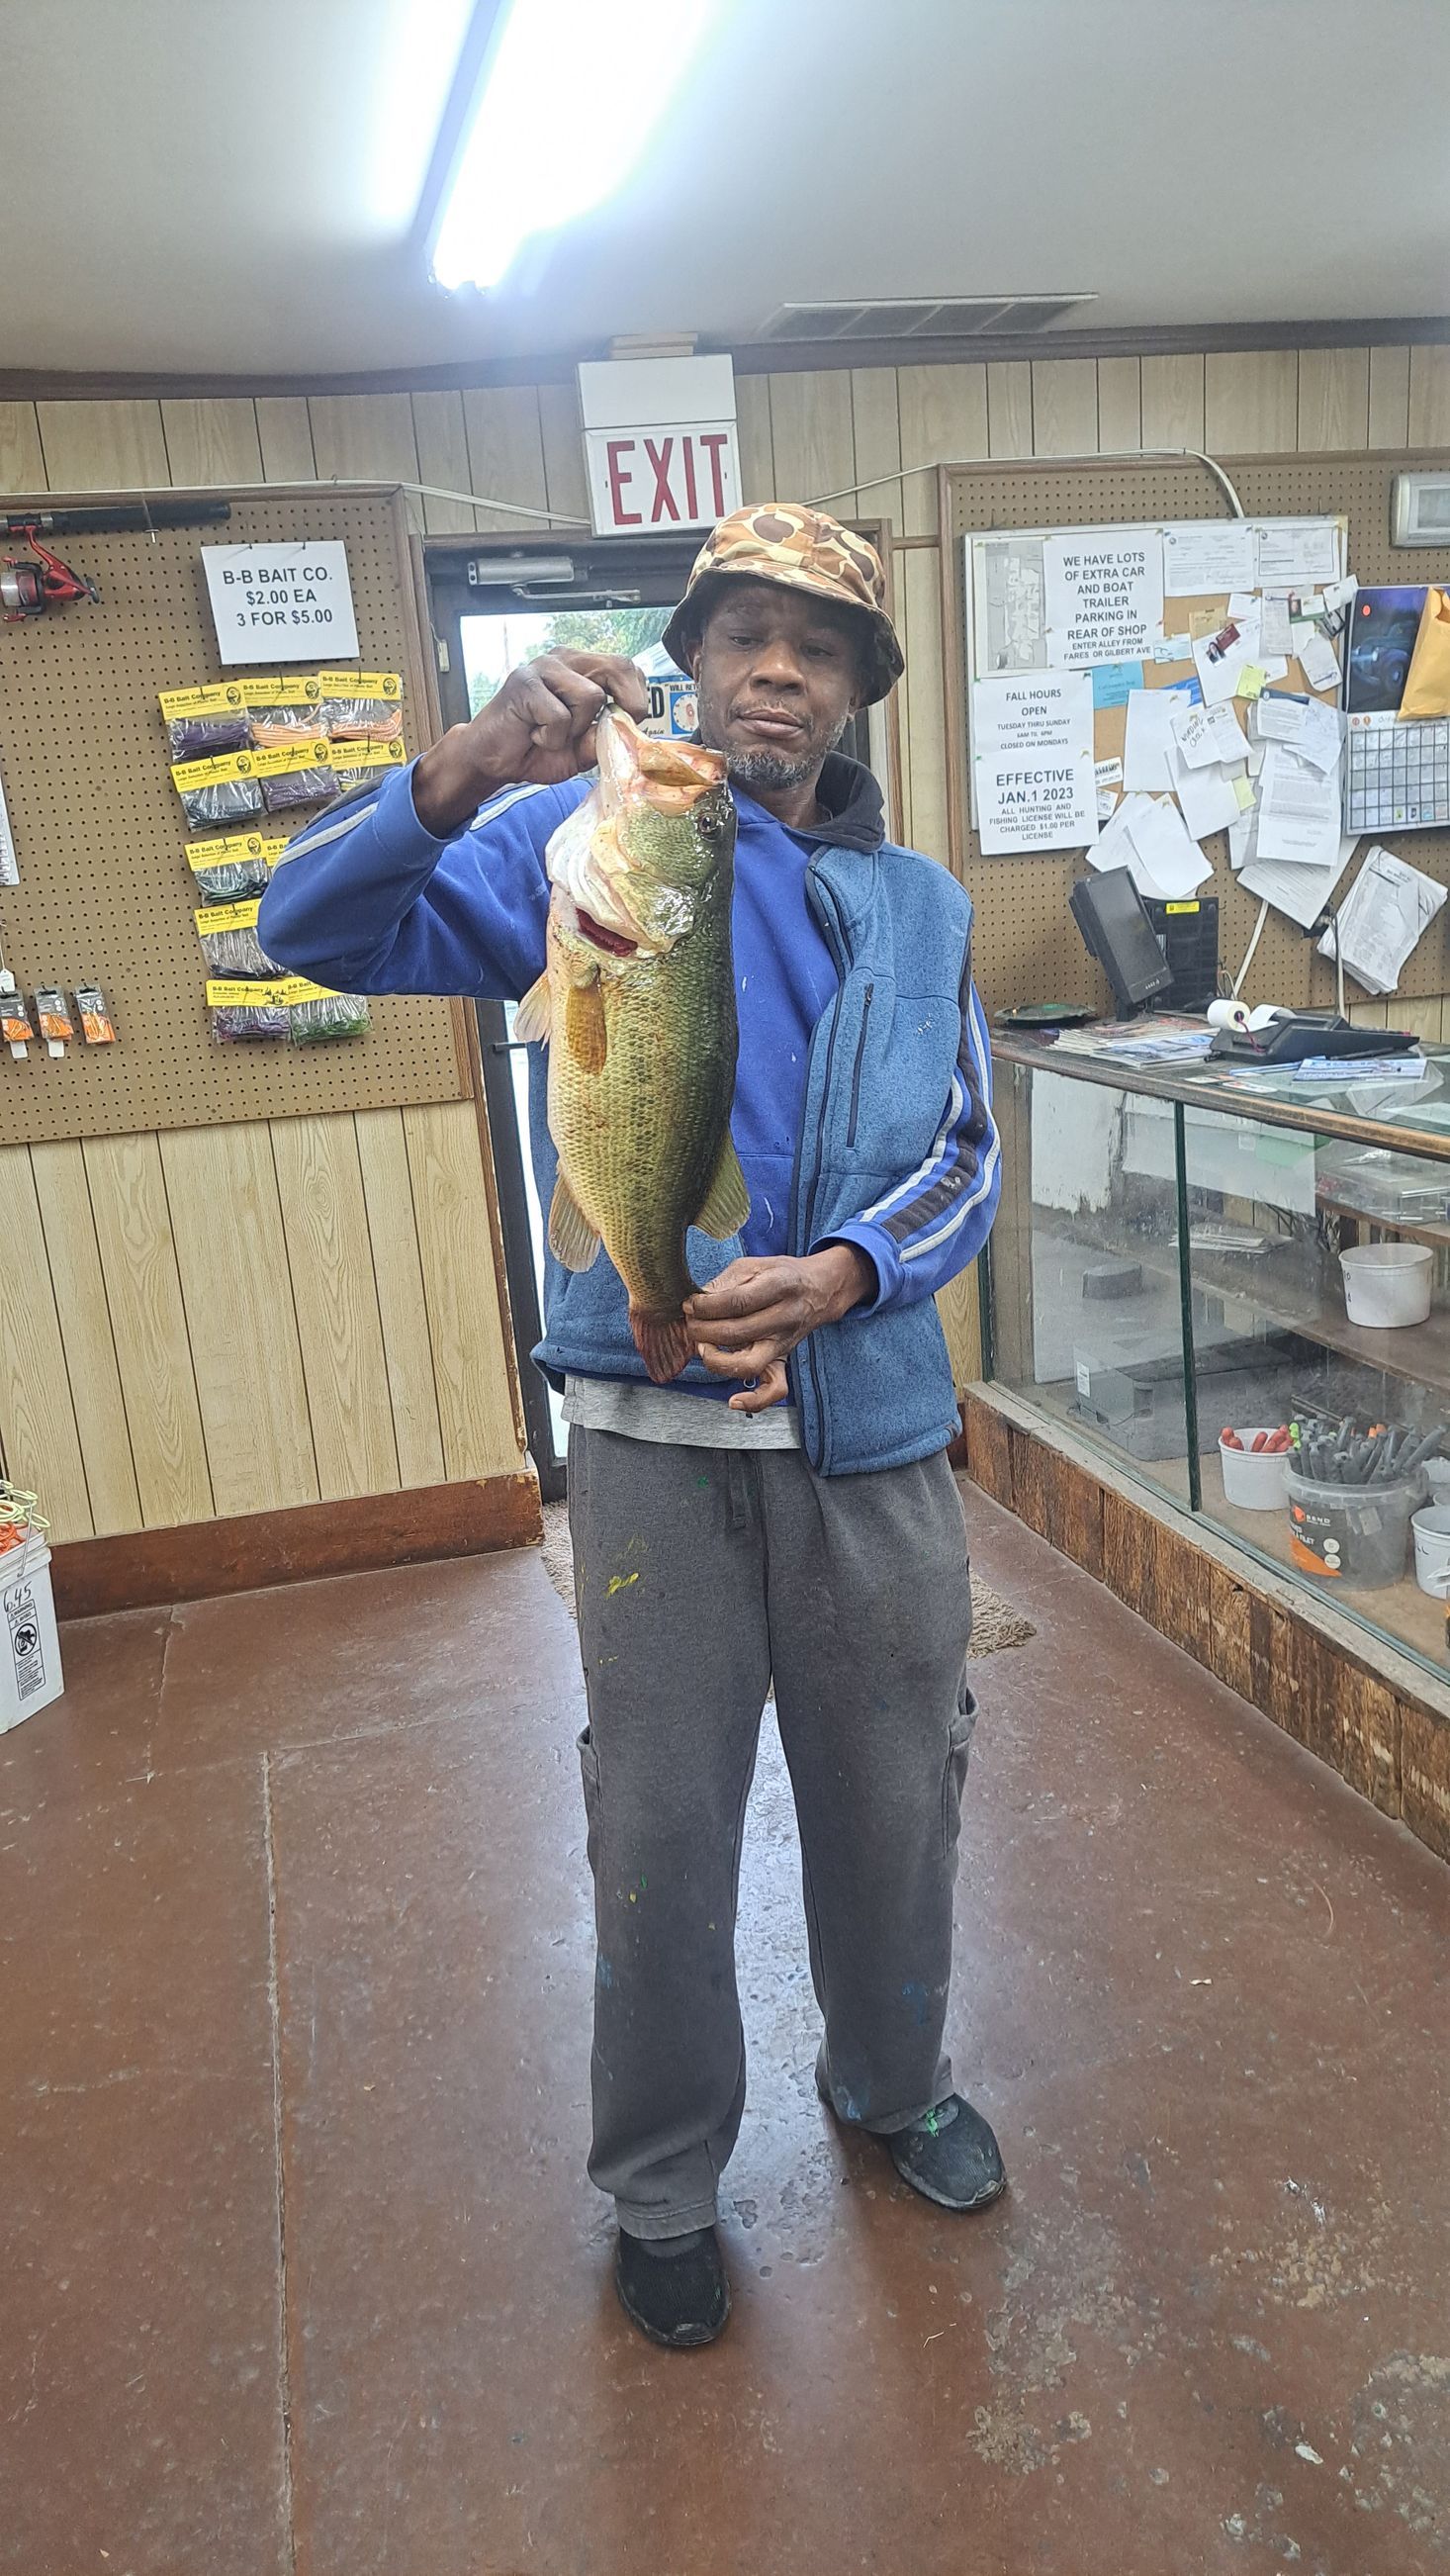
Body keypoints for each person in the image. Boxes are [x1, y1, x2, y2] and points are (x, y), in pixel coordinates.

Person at [259, 503, 1004, 2351]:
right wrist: (455, 767)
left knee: (897, 1801)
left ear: (854, 692)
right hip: (653, 1439)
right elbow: (311, 930)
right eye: (740, 633)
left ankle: (890, 2083)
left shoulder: (919, 906)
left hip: (876, 1439)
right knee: (658, 1828)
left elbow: (968, 1155)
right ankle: (664, 2183)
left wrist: (847, 1272)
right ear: (685, 660)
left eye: (815, 648)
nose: (772, 669)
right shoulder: (570, 839)